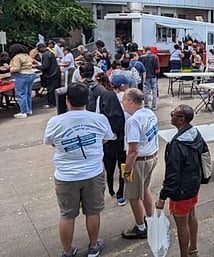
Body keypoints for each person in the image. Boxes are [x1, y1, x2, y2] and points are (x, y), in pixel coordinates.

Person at [44, 83, 114, 257]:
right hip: (93, 173)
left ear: (67, 100)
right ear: (88, 100)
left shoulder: (55, 121)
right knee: (93, 211)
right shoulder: (99, 119)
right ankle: (93, 246)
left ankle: (67, 251)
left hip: (66, 176)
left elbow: (51, 142)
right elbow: (106, 139)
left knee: (67, 215)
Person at [155, 105, 209, 257]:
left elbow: (172, 175)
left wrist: (162, 197)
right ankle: (193, 248)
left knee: (181, 225)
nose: (170, 116)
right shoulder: (195, 133)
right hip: (194, 185)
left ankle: (184, 254)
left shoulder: (177, 145)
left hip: (181, 190)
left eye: (173, 114)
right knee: (191, 215)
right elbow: (204, 154)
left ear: (181, 120)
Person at [121, 88, 159, 239]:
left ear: (130, 102)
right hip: (152, 157)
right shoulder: (149, 113)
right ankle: (150, 219)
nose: (122, 103)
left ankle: (140, 227)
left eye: (123, 100)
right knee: (145, 190)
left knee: (133, 196)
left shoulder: (133, 121)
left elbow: (133, 151)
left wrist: (127, 170)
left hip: (140, 162)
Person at [95, 72, 128, 207]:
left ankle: (110, 190)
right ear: (122, 85)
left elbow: (97, 117)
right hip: (121, 139)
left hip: (106, 141)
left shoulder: (101, 97)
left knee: (108, 168)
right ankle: (121, 193)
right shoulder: (126, 98)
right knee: (122, 167)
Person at [8, 44, 38, 118]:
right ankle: (29, 110)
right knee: (28, 93)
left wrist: (9, 69)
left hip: (21, 75)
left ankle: (23, 112)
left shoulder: (16, 57)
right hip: (30, 75)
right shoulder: (27, 56)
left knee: (21, 94)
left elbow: (17, 68)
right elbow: (33, 63)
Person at [36, 42, 61, 109]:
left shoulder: (46, 54)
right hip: (55, 73)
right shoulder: (50, 53)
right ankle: (55, 102)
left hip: (51, 75)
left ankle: (51, 103)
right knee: (54, 89)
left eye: (38, 48)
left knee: (51, 90)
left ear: (41, 48)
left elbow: (45, 66)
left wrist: (36, 66)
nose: (38, 50)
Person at [140, 46, 159, 110]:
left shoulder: (141, 58)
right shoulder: (154, 57)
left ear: (145, 50)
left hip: (145, 76)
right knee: (154, 91)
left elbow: (140, 67)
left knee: (145, 91)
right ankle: (154, 105)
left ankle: (146, 105)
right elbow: (157, 67)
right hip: (153, 75)